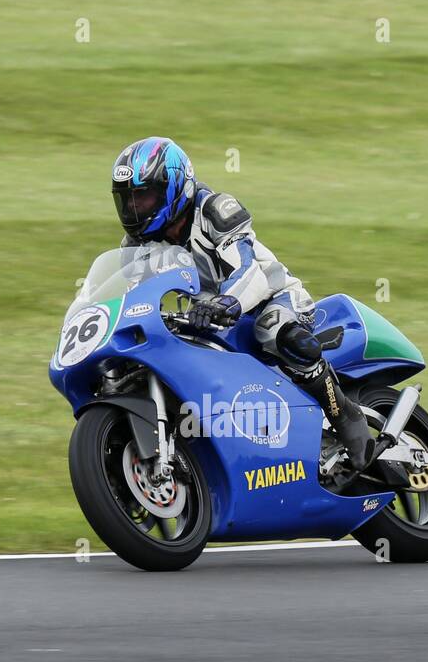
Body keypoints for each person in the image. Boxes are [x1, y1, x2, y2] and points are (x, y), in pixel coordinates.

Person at [110, 136, 374, 468]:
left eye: (145, 198)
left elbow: (249, 270)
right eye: (128, 201)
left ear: (174, 187)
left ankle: (345, 416)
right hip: (207, 319)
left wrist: (227, 303)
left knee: (273, 330)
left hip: (269, 298)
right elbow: (135, 294)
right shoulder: (135, 245)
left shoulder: (215, 210)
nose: (136, 209)